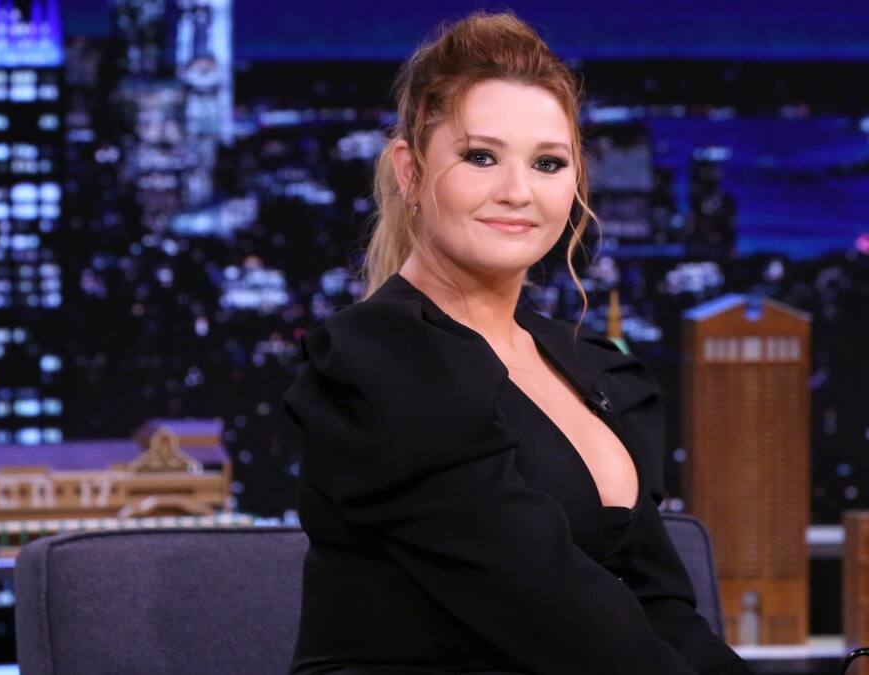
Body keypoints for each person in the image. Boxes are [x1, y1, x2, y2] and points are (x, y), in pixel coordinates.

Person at [283, 10, 751, 675]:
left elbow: (661, 610)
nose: (517, 192)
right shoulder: (378, 362)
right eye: (481, 157)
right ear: (410, 172)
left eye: (548, 163)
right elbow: (552, 606)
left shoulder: (597, 372)